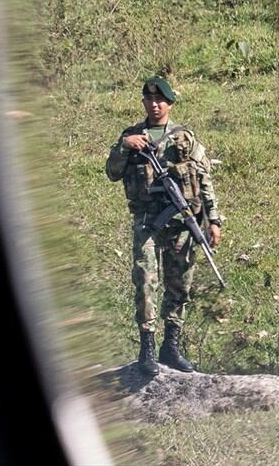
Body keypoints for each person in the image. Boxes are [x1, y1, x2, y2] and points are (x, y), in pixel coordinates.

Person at [105, 76, 223, 375]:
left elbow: (205, 180)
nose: (155, 105)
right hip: (147, 223)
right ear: (144, 102)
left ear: (170, 103)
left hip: (182, 224)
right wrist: (123, 146)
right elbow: (112, 173)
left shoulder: (185, 138)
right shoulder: (132, 136)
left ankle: (170, 347)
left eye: (161, 100)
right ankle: (147, 349)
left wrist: (214, 220)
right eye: (150, 99)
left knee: (179, 283)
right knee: (145, 281)